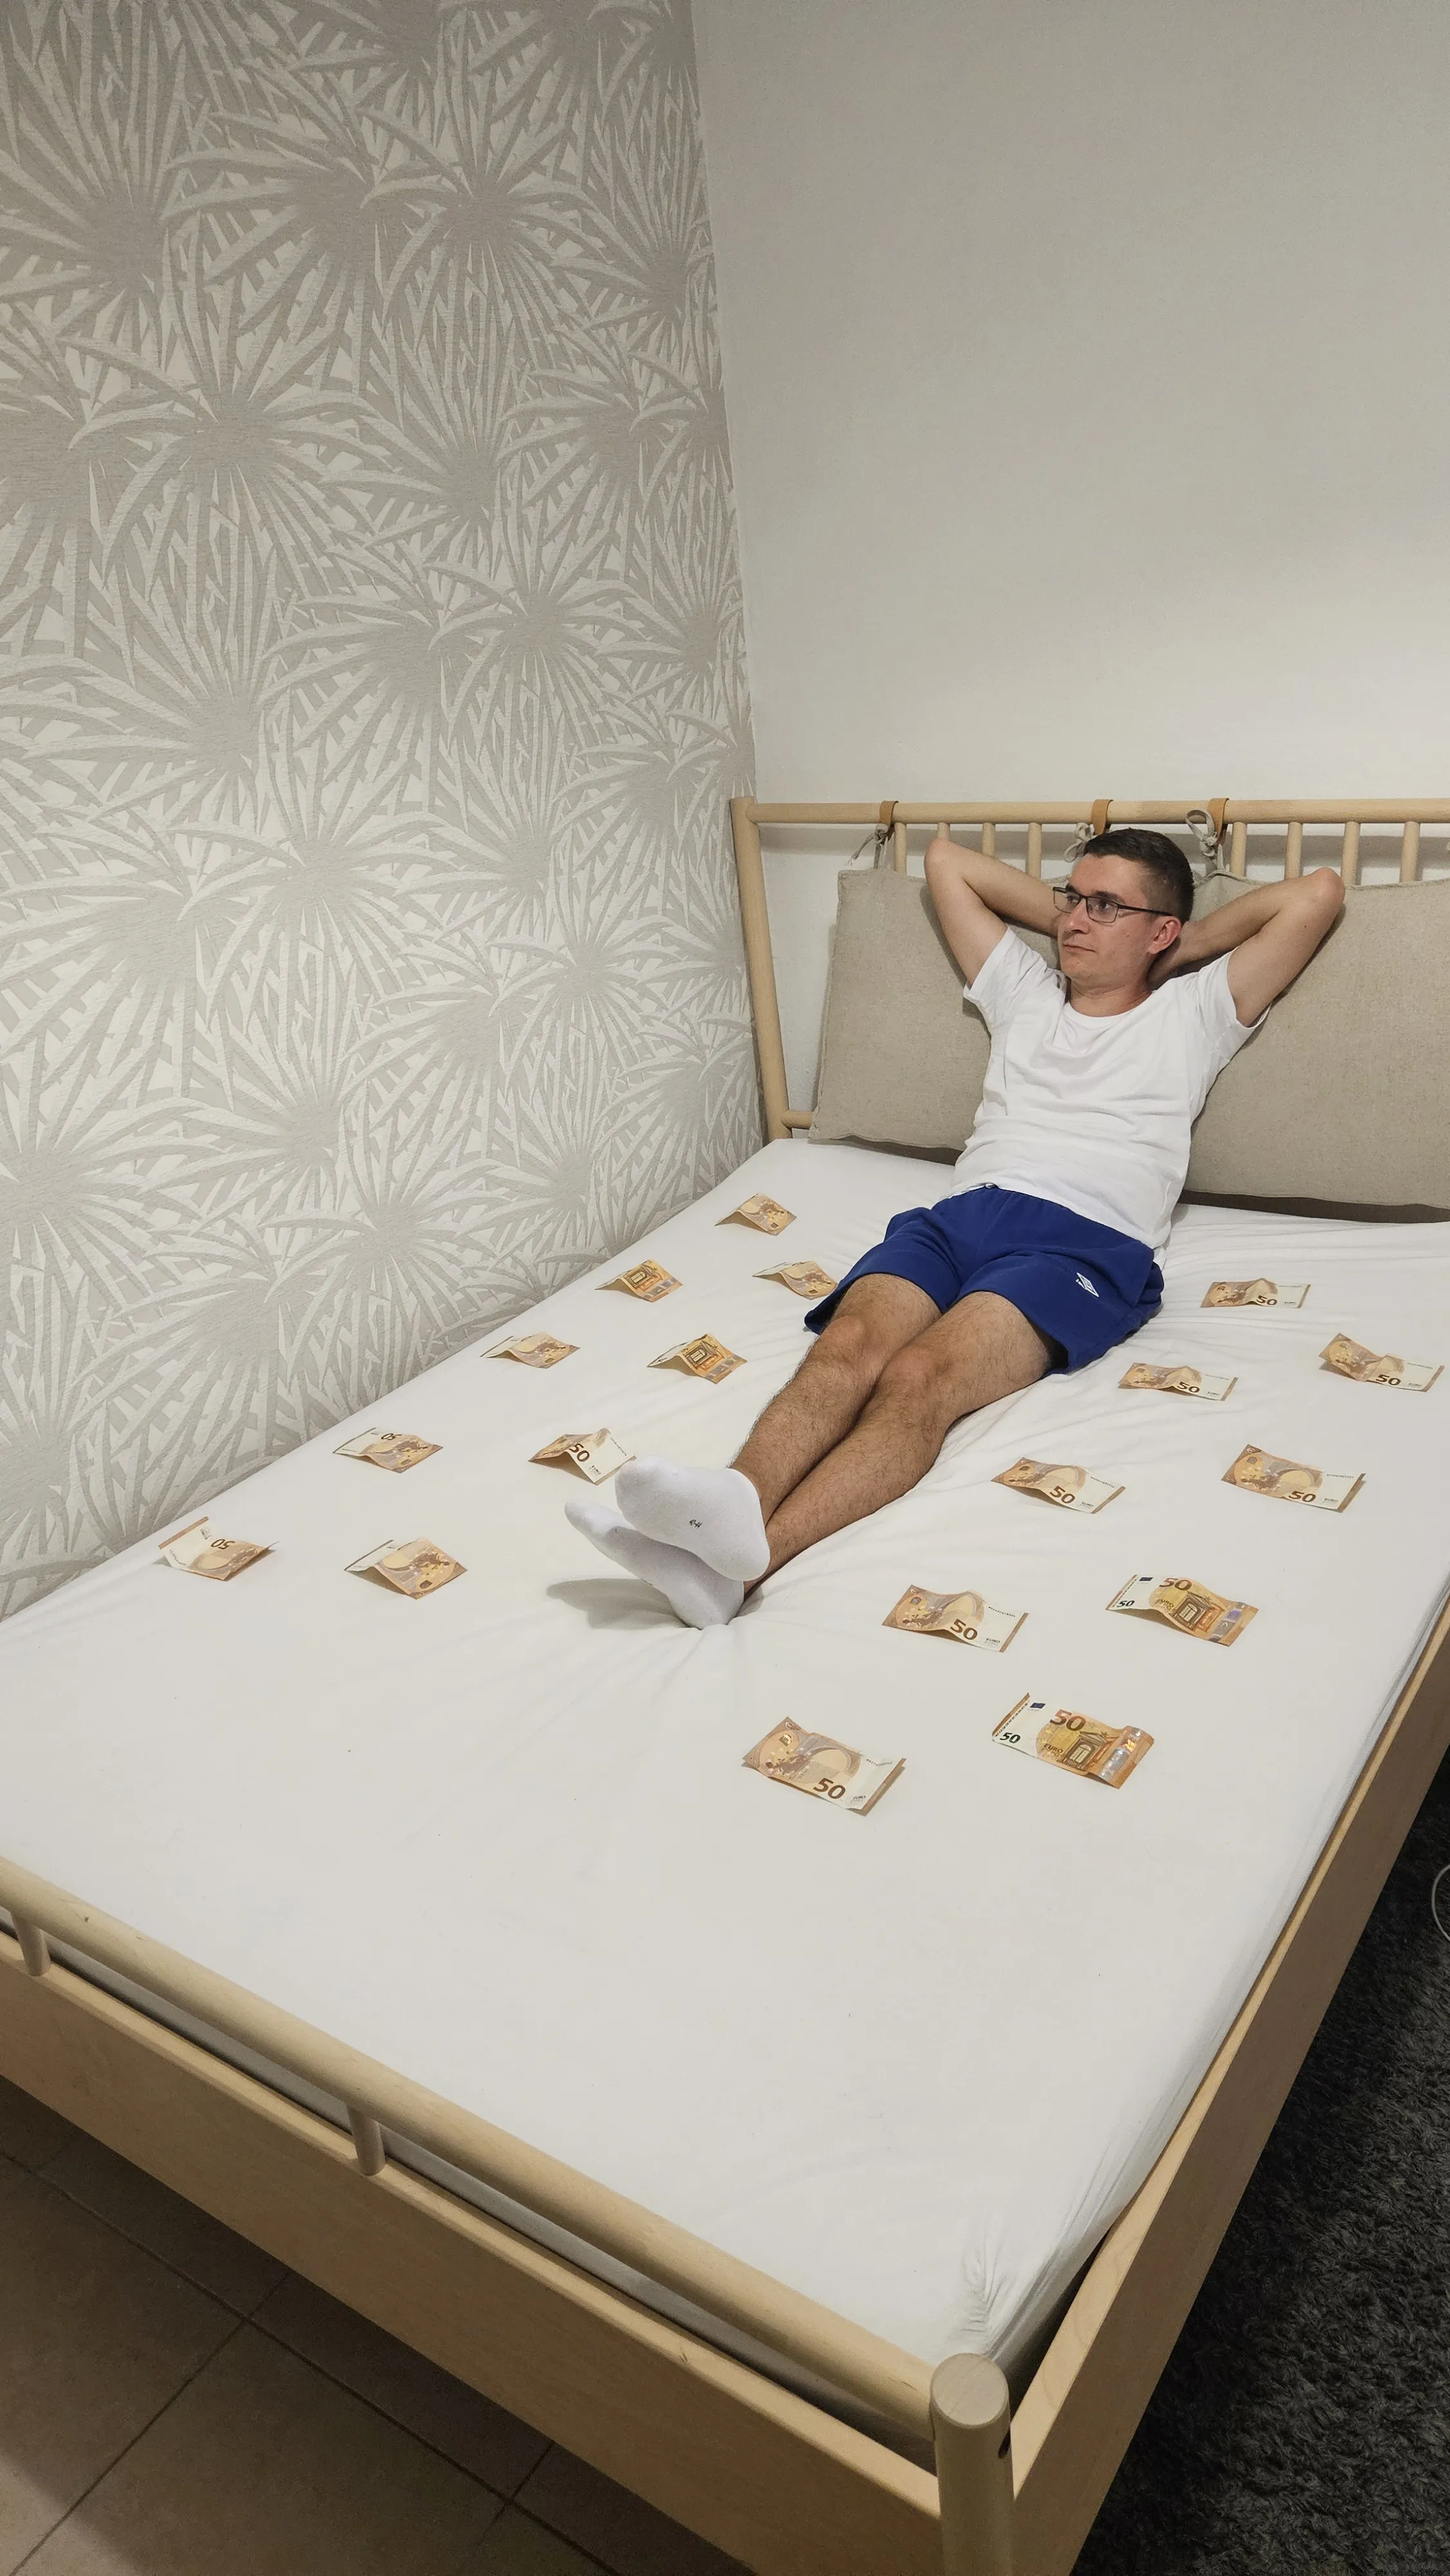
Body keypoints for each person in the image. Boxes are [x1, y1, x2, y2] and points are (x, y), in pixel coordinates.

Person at [567, 827, 1343, 1625]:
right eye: (1072, 897)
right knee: (846, 1345)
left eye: (1106, 906)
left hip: (1081, 1241)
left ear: (1161, 929)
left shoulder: (1197, 1009)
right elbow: (947, 861)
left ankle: (741, 1573)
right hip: (961, 1216)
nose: (1075, 919)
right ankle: (724, 1516)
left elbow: (1315, 892)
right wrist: (1103, 918)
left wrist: (1181, 950)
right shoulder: (1022, 987)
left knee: (918, 1376)